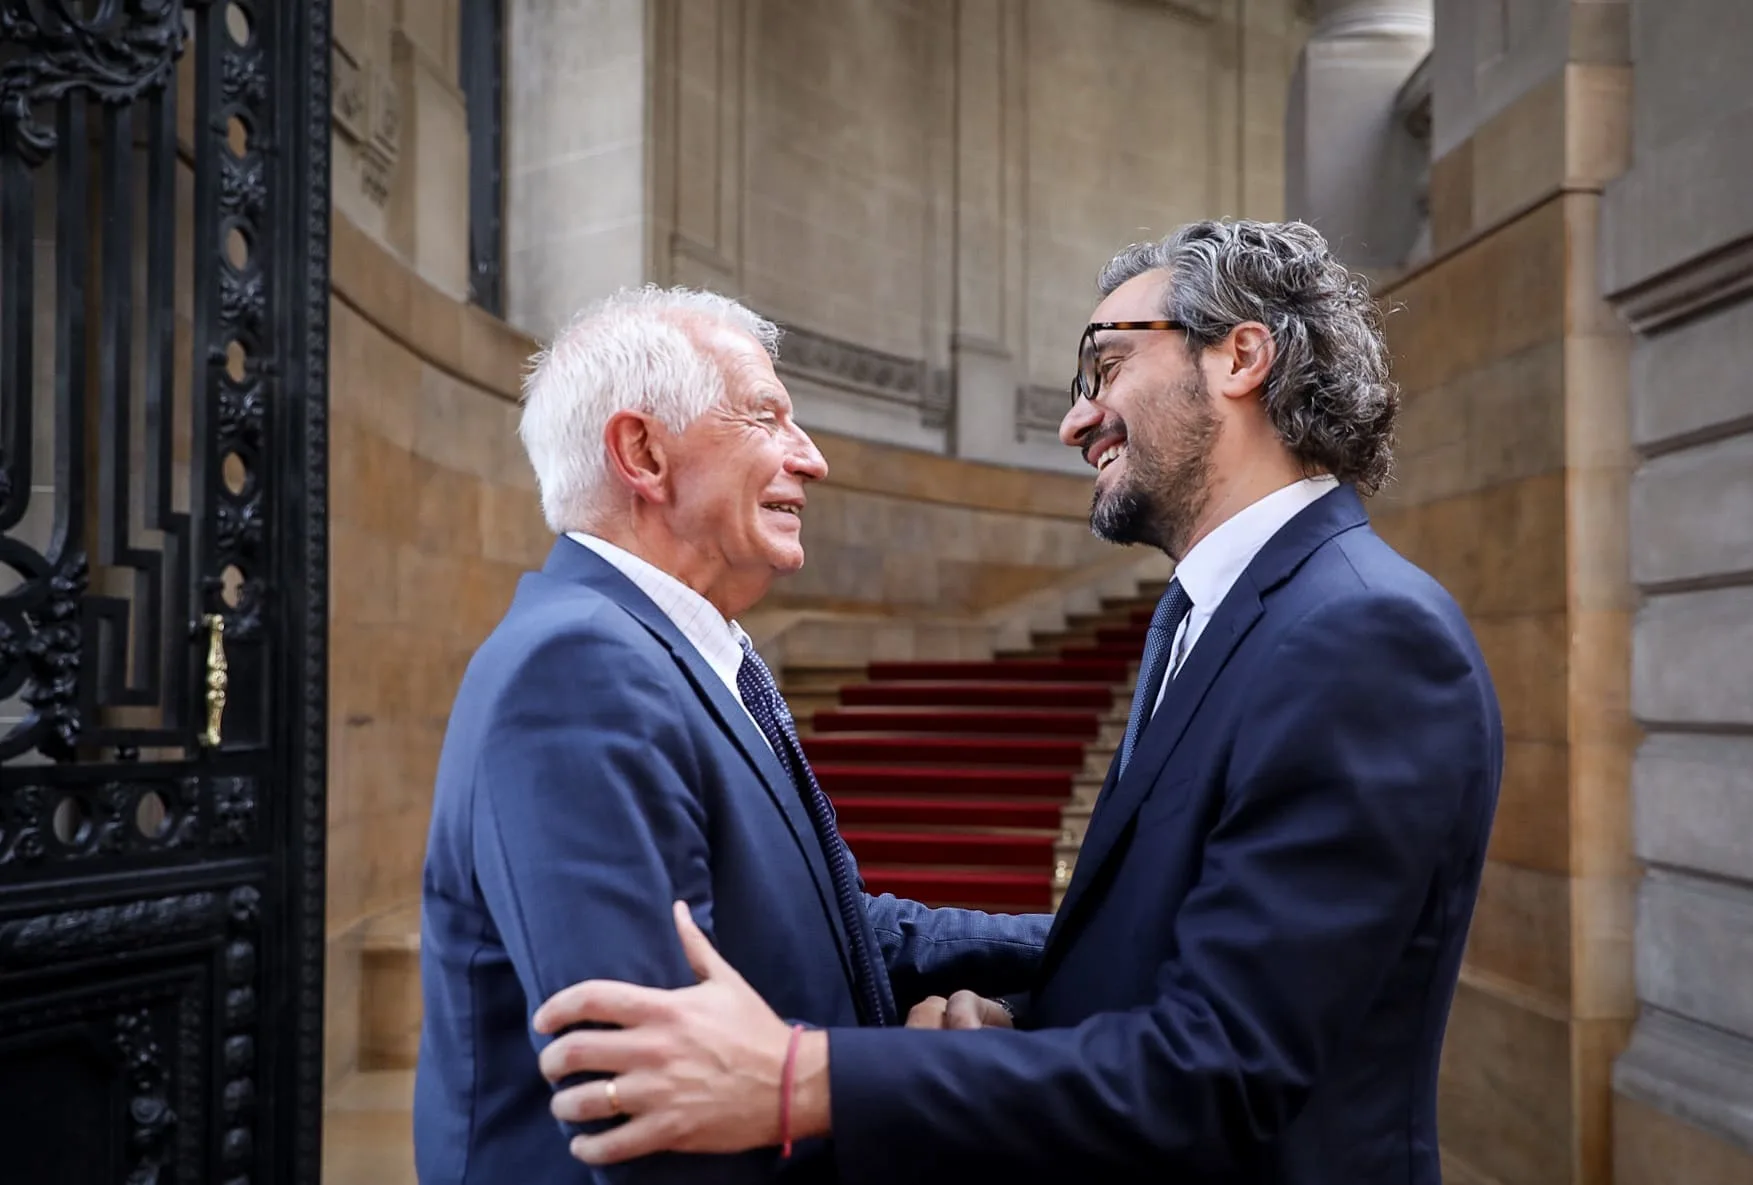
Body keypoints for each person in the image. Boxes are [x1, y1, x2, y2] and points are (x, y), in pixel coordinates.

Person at [528, 220, 1506, 1185]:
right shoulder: (1196, 620)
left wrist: (805, 1077)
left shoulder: (1363, 633)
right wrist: (1024, 1022)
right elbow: (1166, 941)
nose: (1077, 420)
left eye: (1108, 367)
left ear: (1240, 356)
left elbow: (1225, 1070)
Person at [412, 286, 1051, 1185]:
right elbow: (657, 1105)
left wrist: (1080, 937)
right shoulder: (578, 668)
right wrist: (906, 1084)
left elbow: (825, 927)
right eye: (767, 417)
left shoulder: (672, 649)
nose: (814, 458)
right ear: (642, 451)